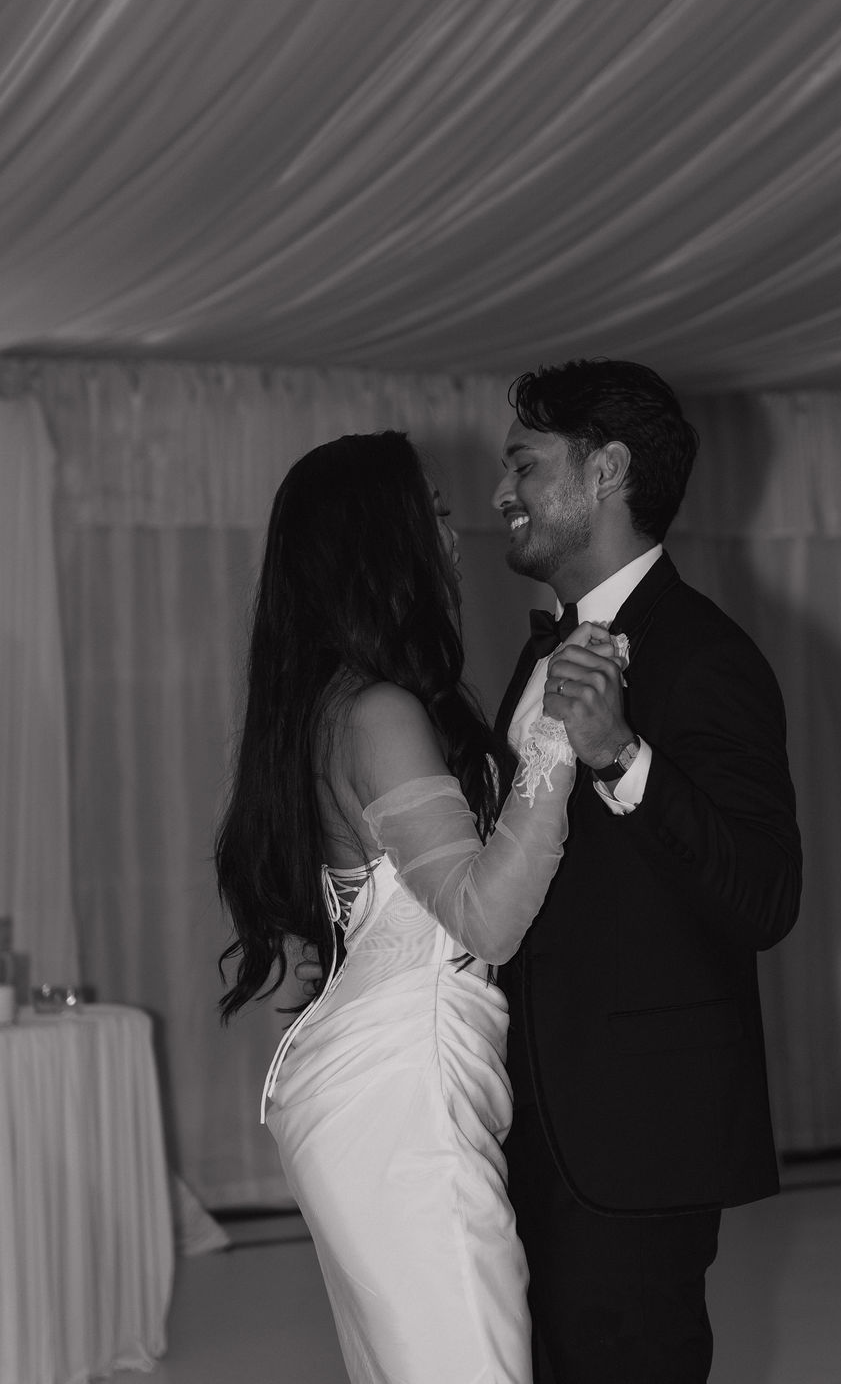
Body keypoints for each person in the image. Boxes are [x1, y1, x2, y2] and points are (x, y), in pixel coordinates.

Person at [214, 430, 621, 1384]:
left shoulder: (335, 703)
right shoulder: (377, 713)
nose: (454, 528)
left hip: (381, 1076)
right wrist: (557, 743)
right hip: (405, 1089)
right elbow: (483, 919)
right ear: (379, 538)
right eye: (433, 510)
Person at [491, 358, 802, 1384]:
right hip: (527, 1126)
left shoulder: (707, 655)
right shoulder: (534, 655)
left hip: (636, 1137)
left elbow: (765, 894)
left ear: (607, 469)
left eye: (524, 466)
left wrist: (624, 755)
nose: (503, 495)